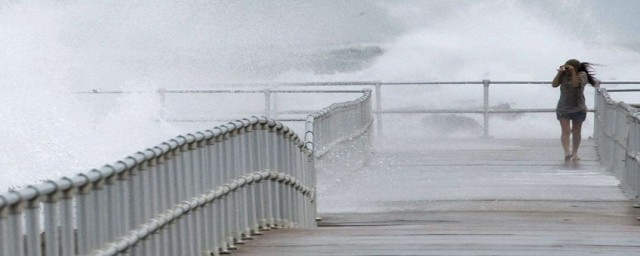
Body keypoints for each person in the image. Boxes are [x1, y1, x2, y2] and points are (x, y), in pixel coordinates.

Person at [552, 59, 597, 161]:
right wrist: (560, 73)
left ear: (576, 68)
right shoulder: (563, 74)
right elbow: (554, 84)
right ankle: (567, 152)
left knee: (576, 131)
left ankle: (575, 152)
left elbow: (576, 85)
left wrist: (573, 73)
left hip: (578, 107)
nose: (567, 70)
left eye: (569, 68)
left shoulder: (582, 75)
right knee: (565, 130)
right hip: (563, 107)